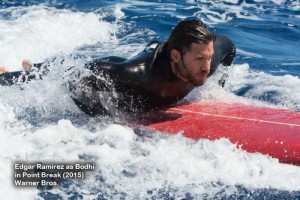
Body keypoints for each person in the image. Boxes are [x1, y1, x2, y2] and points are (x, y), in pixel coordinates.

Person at [0, 19, 236, 116]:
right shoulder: (139, 75)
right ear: (176, 55)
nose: (206, 67)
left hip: (122, 66)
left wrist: (216, 91)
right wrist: (103, 115)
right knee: (55, 72)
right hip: (120, 68)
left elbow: (230, 48)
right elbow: (78, 77)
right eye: (200, 59)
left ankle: (32, 66)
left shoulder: (205, 63)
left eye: (209, 58)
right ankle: (18, 73)